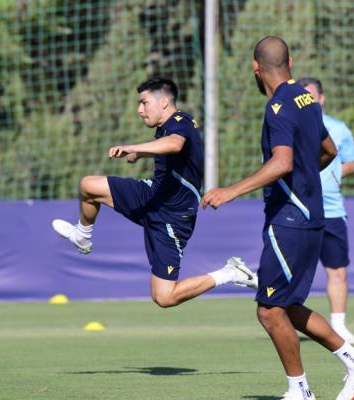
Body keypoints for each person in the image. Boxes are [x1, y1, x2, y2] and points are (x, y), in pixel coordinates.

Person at [202, 37, 354, 400]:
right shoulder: (306, 99)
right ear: (291, 62)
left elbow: (282, 163)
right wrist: (303, 178)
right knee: (287, 305)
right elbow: (329, 151)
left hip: (291, 220)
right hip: (310, 215)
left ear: (255, 67)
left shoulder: (278, 106)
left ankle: (299, 393)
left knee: (269, 310)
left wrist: (231, 190)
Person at [52, 77, 257, 308]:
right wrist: (142, 154)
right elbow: (168, 147)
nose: (140, 110)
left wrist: (134, 148)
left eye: (144, 103)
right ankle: (82, 236)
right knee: (88, 186)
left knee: (164, 297)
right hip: (152, 196)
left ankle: (231, 273)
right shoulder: (163, 129)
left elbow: (175, 144)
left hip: (173, 217)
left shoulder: (182, 120)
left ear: (164, 102)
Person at [298, 76, 354, 345]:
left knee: (337, 270)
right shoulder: (290, 126)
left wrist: (333, 172)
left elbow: (351, 163)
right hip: (299, 210)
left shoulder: (338, 128)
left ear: (321, 98)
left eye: (312, 96)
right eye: (304, 97)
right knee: (296, 269)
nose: (309, 101)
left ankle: (338, 325)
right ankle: (289, 319)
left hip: (332, 210)